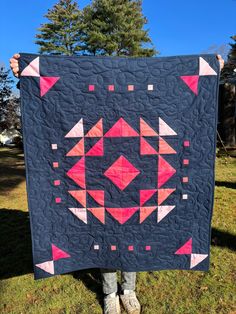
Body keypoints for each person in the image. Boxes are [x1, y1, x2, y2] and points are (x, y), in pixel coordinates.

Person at [10, 53, 224, 314]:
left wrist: (213, 69)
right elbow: (58, 95)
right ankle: (110, 293)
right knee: (106, 230)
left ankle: (129, 290)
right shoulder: (101, 107)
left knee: (133, 230)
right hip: (98, 177)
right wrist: (26, 75)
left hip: (142, 180)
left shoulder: (140, 107)